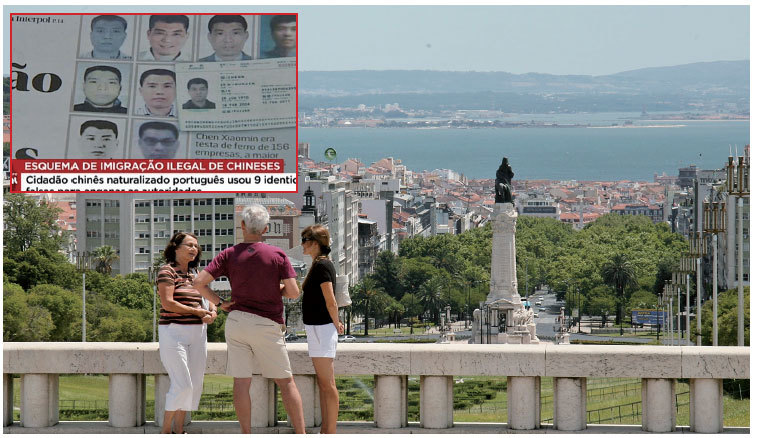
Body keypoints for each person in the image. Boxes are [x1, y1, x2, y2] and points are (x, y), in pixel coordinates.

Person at [192, 204, 306, 434]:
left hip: (237, 321)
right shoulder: (277, 255)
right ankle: (301, 433)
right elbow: (294, 292)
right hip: (266, 323)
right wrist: (278, 290)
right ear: (265, 229)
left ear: (242, 226)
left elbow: (198, 283)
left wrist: (219, 302)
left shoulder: (228, 255)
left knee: (241, 382)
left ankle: (246, 433)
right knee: (286, 382)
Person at [156, 232, 217, 434]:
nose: (194, 249)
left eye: (196, 246)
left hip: (198, 334)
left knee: (193, 385)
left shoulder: (196, 274)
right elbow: (168, 303)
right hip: (174, 333)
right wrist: (195, 312)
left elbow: (209, 300)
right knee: (182, 384)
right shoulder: (167, 271)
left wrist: (212, 312)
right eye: (189, 245)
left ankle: (179, 430)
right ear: (175, 247)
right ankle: (166, 431)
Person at [300, 224, 344, 434]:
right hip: (318, 328)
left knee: (327, 384)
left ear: (315, 243)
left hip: (322, 328)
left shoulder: (322, 266)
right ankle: (326, 429)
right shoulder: (319, 264)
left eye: (305, 240)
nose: (302, 244)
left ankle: (330, 431)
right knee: (325, 383)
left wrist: (336, 323)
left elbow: (330, 300)